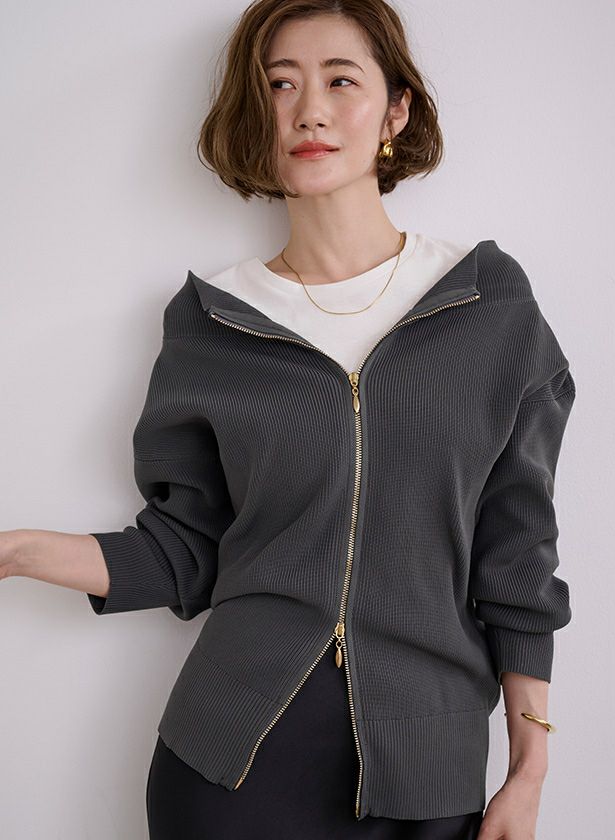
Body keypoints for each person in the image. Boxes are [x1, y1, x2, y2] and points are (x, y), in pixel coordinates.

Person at [0, 1, 577, 838]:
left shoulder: (489, 307)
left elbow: (517, 557)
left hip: (424, 775)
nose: (309, 110)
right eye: (280, 85)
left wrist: (529, 771)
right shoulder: (212, 322)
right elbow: (185, 552)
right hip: (229, 766)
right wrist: (15, 552)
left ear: (396, 110)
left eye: (341, 81)